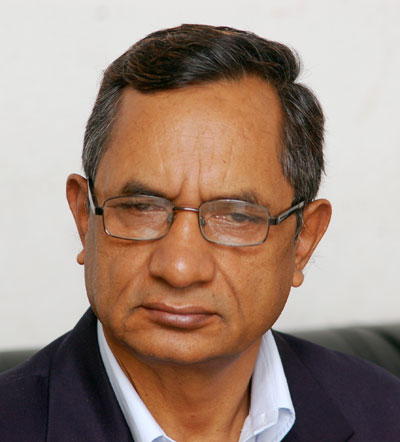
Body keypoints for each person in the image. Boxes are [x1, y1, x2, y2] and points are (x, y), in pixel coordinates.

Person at [1, 24, 399, 442]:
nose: (179, 268)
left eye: (236, 216)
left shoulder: (385, 415)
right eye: (141, 207)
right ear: (85, 217)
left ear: (303, 240)